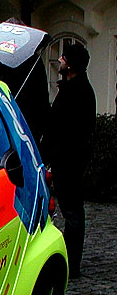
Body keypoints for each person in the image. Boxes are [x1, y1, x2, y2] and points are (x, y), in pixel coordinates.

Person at [44, 43, 96, 278]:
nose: (60, 61)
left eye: (64, 58)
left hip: (69, 162)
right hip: (65, 161)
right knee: (72, 211)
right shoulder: (72, 88)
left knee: (73, 213)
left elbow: (69, 132)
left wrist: (57, 161)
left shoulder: (78, 92)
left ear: (71, 65)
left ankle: (72, 264)